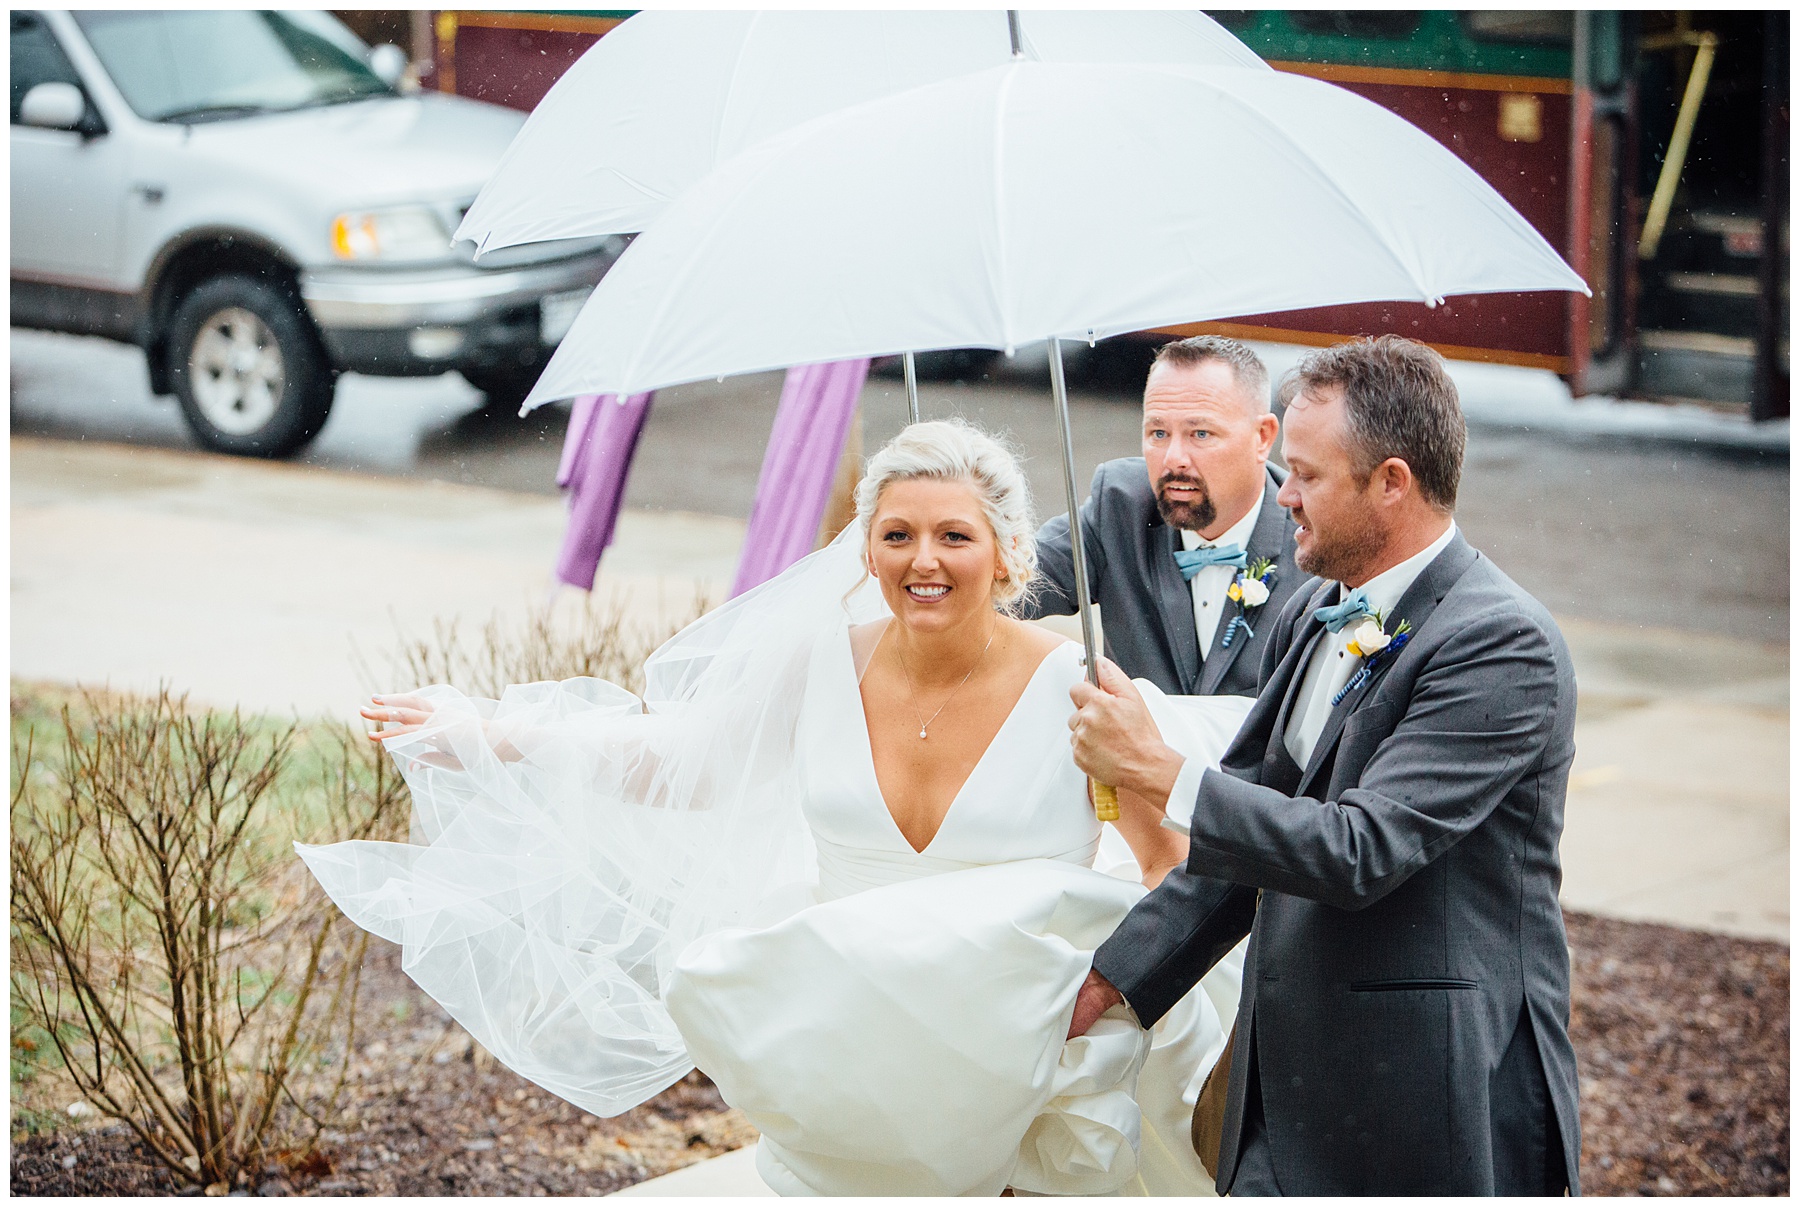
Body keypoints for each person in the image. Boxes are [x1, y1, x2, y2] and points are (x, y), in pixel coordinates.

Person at [298, 420, 1256, 1196]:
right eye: (898, 534)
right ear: (867, 549)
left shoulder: (1080, 692)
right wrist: (489, 732)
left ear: (1008, 554)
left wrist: (1120, 1002)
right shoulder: (820, 662)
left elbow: (1168, 865)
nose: (925, 560)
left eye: (954, 535)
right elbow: (679, 758)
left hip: (1036, 1063)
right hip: (857, 1052)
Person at [1064, 336, 1581, 1195]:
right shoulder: (1317, 608)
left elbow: (1359, 850)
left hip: (1427, 1098)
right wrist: (1112, 978)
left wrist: (1163, 772)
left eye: (1305, 475)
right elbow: (1249, 840)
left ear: (1392, 483)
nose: (1283, 497)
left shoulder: (1502, 644)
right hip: (1282, 1090)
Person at [1025, 335, 1302, 701]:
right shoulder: (1120, 505)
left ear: (1263, 437)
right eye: (1158, 432)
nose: (1173, 459)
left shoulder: (1313, 535)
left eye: (1200, 433)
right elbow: (1008, 583)